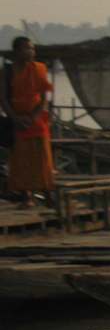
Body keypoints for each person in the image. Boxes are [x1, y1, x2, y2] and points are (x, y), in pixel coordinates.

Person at [1, 37, 55, 207]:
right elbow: (3, 99)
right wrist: (15, 118)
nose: (31, 52)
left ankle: (47, 194)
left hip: (37, 119)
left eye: (32, 49)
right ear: (16, 51)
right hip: (17, 120)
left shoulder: (39, 69)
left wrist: (33, 117)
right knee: (21, 159)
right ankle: (26, 196)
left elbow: (44, 98)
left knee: (42, 158)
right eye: (27, 48)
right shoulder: (7, 71)